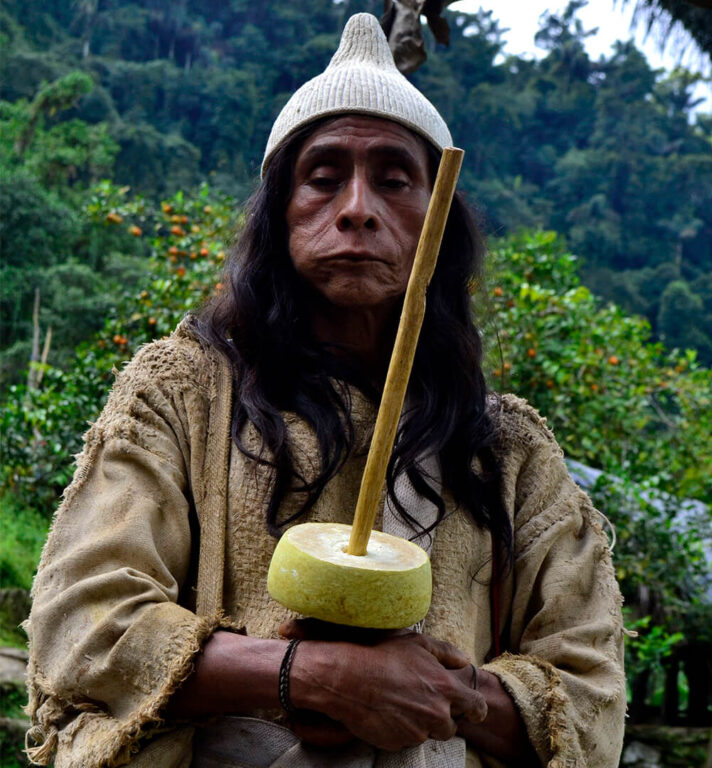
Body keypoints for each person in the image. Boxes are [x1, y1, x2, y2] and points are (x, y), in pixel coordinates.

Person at [24, 13, 626, 768]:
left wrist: (454, 697)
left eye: (396, 179)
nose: (356, 208)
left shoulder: (507, 450)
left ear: (438, 223)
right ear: (279, 213)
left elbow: (592, 699)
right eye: (323, 175)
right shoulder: (179, 392)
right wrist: (310, 677)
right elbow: (83, 622)